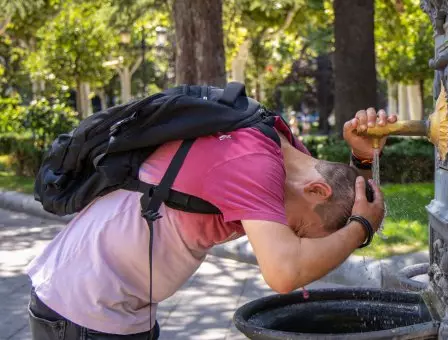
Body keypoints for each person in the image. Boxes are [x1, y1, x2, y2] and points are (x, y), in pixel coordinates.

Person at [25, 107, 398, 339]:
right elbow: (284, 273)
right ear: (315, 191)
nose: (288, 236)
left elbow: (339, 194)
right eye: (299, 232)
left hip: (120, 306)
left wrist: (360, 161)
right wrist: (360, 229)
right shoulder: (253, 162)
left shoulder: (282, 150)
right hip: (84, 307)